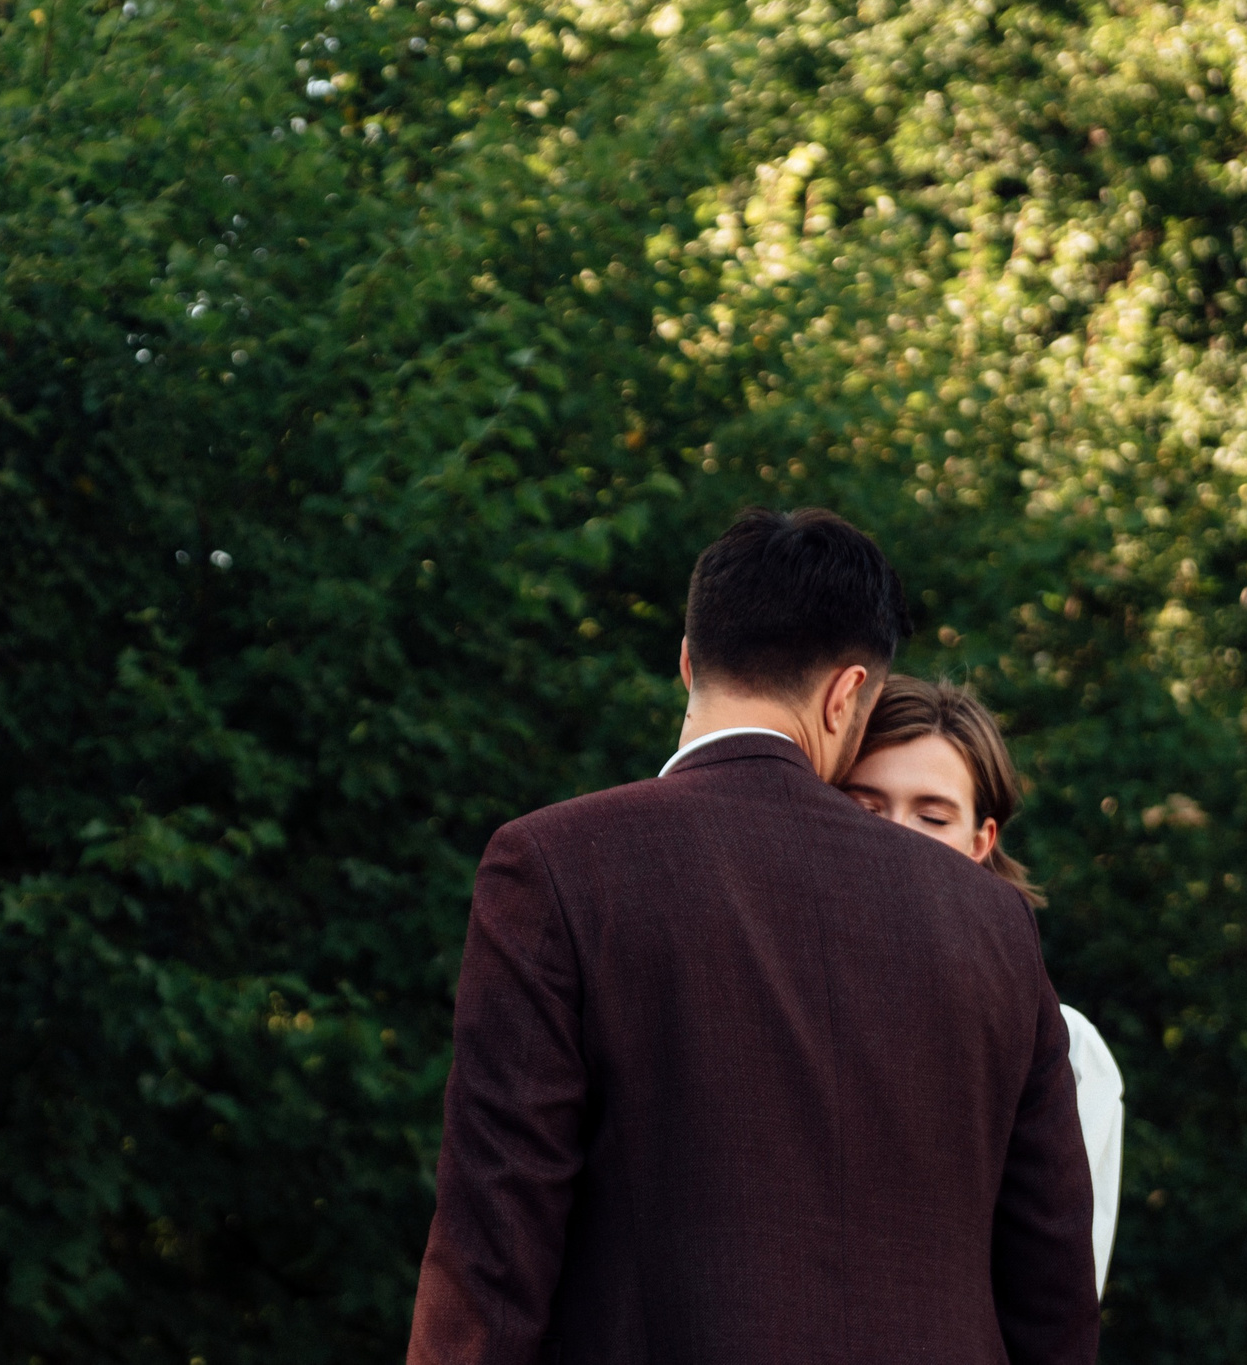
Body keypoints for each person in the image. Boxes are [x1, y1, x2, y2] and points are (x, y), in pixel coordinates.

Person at [409, 507, 1098, 1365]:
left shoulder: (554, 865)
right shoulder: (992, 921)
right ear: (849, 693)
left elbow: (492, 1253)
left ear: (689, 660)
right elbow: (1052, 1291)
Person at [842, 676, 1125, 1296]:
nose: (897, 837)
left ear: (980, 842)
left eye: (932, 815)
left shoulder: (1067, 1051)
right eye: (864, 808)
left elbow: (1058, 1295)